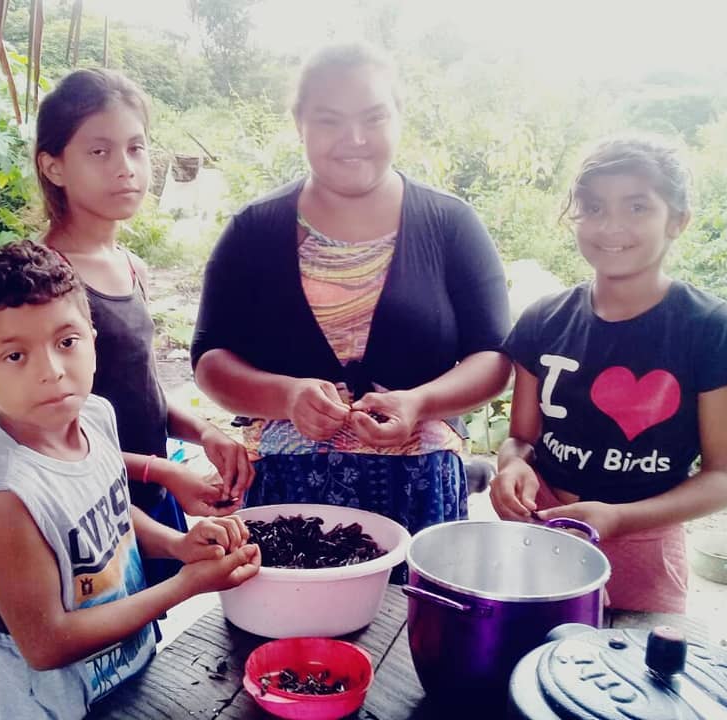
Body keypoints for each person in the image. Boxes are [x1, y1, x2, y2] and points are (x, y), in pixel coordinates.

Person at [191, 42, 512, 537]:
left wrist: (420, 403)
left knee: (412, 617)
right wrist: (285, 396)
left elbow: (492, 357)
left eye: (374, 117)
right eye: (329, 120)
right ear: (299, 122)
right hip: (286, 494)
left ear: (399, 117)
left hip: (419, 491)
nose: (354, 138)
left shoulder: (452, 224)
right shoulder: (253, 230)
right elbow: (211, 360)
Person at [0, 241, 260, 718]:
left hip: (126, 681)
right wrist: (185, 585)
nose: (52, 372)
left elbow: (110, 509)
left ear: (94, 340)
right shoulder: (5, 500)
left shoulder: (94, 415)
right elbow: (47, 645)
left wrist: (178, 545)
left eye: (66, 342)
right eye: (15, 356)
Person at [489, 135, 727, 613]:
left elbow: (724, 477)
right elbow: (521, 438)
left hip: (644, 547)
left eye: (637, 207)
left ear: (677, 220)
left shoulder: (711, 330)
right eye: (592, 208)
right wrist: (511, 466)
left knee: (634, 678)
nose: (610, 226)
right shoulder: (543, 319)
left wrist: (617, 518)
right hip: (539, 530)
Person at [33, 68, 255, 585]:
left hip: (150, 497)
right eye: (99, 151)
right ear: (54, 166)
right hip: (90, 509)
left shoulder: (132, 266)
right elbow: (49, 435)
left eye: (136, 148)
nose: (125, 168)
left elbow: (139, 391)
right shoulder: (43, 281)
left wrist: (204, 433)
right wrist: (162, 470)